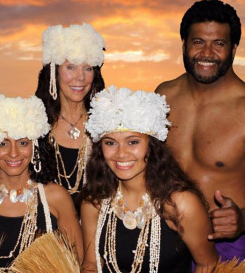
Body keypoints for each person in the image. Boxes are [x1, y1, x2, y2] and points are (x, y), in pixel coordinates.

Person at [81, 86, 218, 272]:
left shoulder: (180, 204)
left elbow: (207, 264)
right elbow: (91, 264)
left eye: (133, 142)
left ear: (151, 145)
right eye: (110, 143)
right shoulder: (95, 203)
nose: (121, 153)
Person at [0, 94, 83, 272]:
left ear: (35, 146)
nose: (13, 153)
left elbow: (77, 263)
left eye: (23, 142)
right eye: (3, 143)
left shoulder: (56, 198)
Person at [156, 0, 245, 262]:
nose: (207, 54)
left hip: (227, 246)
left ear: (233, 49)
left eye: (218, 43)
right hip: (166, 239)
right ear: (184, 44)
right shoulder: (164, 95)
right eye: (198, 42)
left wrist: (242, 219)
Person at [35, 23, 105, 213]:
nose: (80, 78)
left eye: (88, 68)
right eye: (71, 67)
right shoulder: (34, 123)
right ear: (54, 72)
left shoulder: (106, 122)